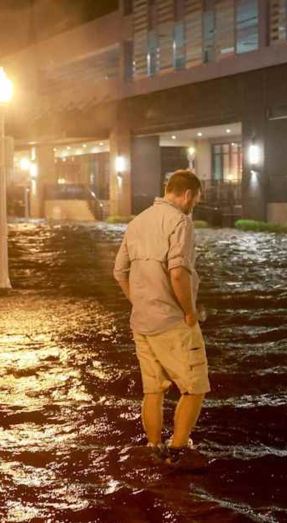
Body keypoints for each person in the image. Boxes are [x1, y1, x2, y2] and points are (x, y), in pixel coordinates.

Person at [113, 169, 209, 469]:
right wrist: (190, 311)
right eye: (196, 200)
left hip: (141, 321)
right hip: (172, 321)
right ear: (188, 195)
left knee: (152, 390)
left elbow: (119, 272)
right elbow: (178, 272)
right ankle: (178, 450)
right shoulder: (180, 222)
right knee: (194, 387)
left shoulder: (137, 222)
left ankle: (154, 447)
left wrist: (139, 301)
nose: (194, 206)